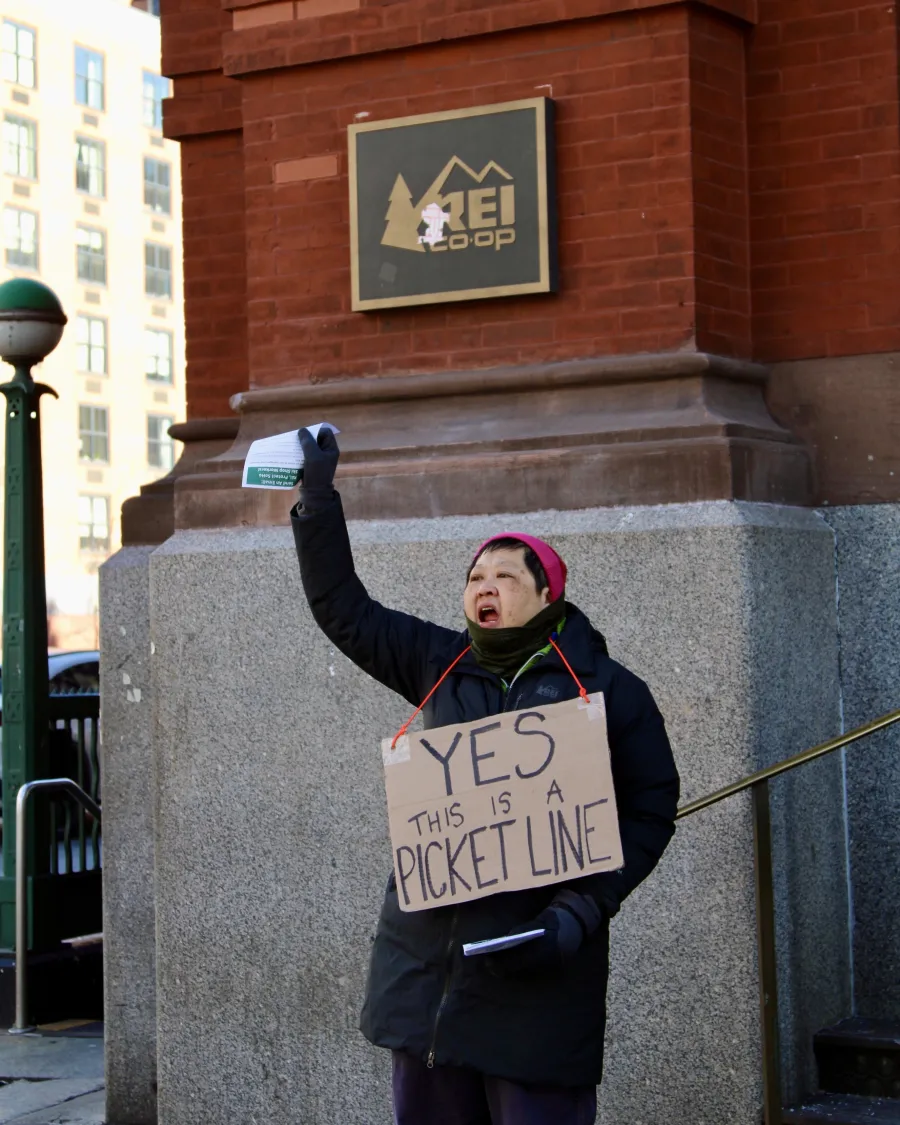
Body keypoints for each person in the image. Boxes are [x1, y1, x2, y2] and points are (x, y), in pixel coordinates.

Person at [291, 427, 680, 1125]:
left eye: (504, 576)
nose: (485, 587)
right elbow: (343, 609)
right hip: (428, 990)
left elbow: (651, 809)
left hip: (537, 994)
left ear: (546, 594)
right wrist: (317, 500)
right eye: (475, 577)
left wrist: (581, 910)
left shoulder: (610, 691)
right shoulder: (437, 662)